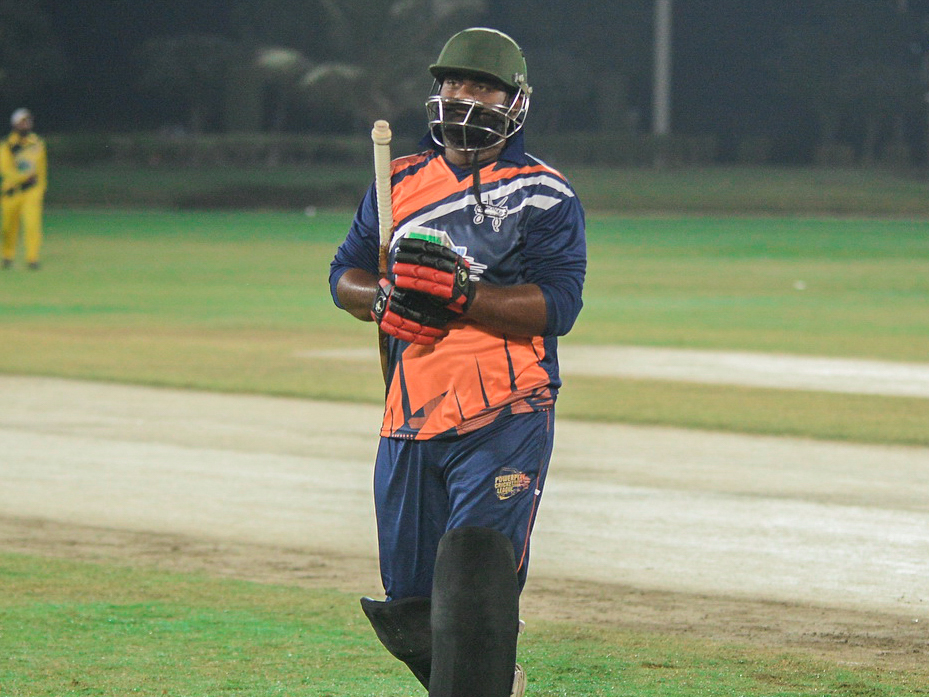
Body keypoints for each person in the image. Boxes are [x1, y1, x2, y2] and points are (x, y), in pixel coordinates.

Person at [329, 27, 586, 697]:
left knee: (475, 576)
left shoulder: (544, 193)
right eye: (451, 83)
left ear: (515, 102)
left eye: (480, 86)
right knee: (409, 603)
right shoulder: (396, 181)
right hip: (409, 414)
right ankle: (497, 680)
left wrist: (466, 295)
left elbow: (559, 304)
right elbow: (343, 274)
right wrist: (379, 299)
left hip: (506, 410)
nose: (460, 95)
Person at [1, 108, 47, 270]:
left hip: (31, 192)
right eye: (22, 122)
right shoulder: (7, 145)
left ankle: (32, 259)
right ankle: (7, 256)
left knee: (32, 225)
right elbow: (5, 170)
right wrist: (23, 177)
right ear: (15, 124)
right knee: (8, 227)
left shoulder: (37, 143)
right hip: (11, 192)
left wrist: (41, 189)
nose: (25, 125)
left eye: (27, 121)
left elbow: (41, 169)